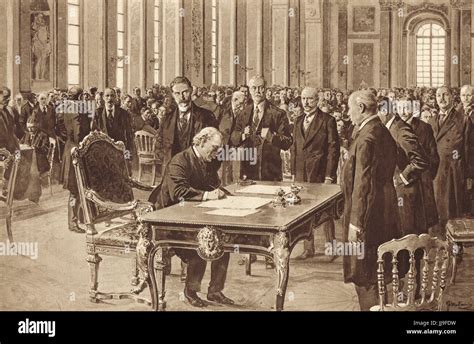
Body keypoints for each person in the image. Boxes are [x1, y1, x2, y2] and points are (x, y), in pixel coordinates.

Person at [149, 127, 233, 308]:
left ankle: (215, 291)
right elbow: (178, 192)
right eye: (215, 147)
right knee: (201, 244)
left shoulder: (208, 161)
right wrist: (207, 196)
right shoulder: (180, 161)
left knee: (222, 242)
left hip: (192, 216)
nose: (218, 152)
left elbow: (214, 185)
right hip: (168, 219)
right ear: (201, 142)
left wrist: (227, 196)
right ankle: (191, 291)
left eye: (219, 149)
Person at [342, 90, 400, 311]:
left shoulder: (367, 136)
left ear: (361, 108)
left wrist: (356, 223)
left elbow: (362, 185)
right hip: (383, 209)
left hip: (367, 214)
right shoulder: (381, 130)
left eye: (350, 109)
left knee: (364, 274)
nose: (348, 114)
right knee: (377, 270)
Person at [231, 75, 293, 268]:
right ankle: (249, 252)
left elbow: (287, 142)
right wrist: (242, 135)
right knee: (248, 211)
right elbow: (232, 138)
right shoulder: (243, 112)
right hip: (248, 169)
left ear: (266, 90)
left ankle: (269, 254)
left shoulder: (277, 113)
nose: (258, 91)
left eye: (261, 88)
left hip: (270, 170)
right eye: (254, 88)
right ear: (249, 91)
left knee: (270, 213)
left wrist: (272, 137)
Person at [291, 87, 340, 260]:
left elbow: (333, 150)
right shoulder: (297, 121)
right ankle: (308, 248)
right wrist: (293, 174)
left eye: (310, 99)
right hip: (300, 175)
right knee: (304, 213)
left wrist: (329, 176)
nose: (306, 102)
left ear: (317, 100)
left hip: (320, 174)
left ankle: (332, 248)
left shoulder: (328, 120)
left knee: (326, 213)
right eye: (304, 99)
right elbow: (295, 149)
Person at [429, 86, 466, 233]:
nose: (442, 98)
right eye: (439, 95)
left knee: (450, 211)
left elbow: (468, 149)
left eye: (445, 94)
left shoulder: (462, 119)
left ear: (452, 97)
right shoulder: (431, 121)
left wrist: (468, 175)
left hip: (453, 172)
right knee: (435, 211)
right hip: (434, 172)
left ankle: (452, 249)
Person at [61, 86, 91, 233]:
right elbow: (79, 133)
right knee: (76, 188)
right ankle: (73, 222)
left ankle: (77, 218)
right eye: (82, 96)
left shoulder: (67, 108)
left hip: (69, 148)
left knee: (77, 188)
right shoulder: (77, 111)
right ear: (79, 97)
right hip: (76, 151)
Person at [460, 85, 474, 216]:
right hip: (459, 156)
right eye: (463, 95)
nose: (466, 98)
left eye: (469, 95)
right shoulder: (456, 112)